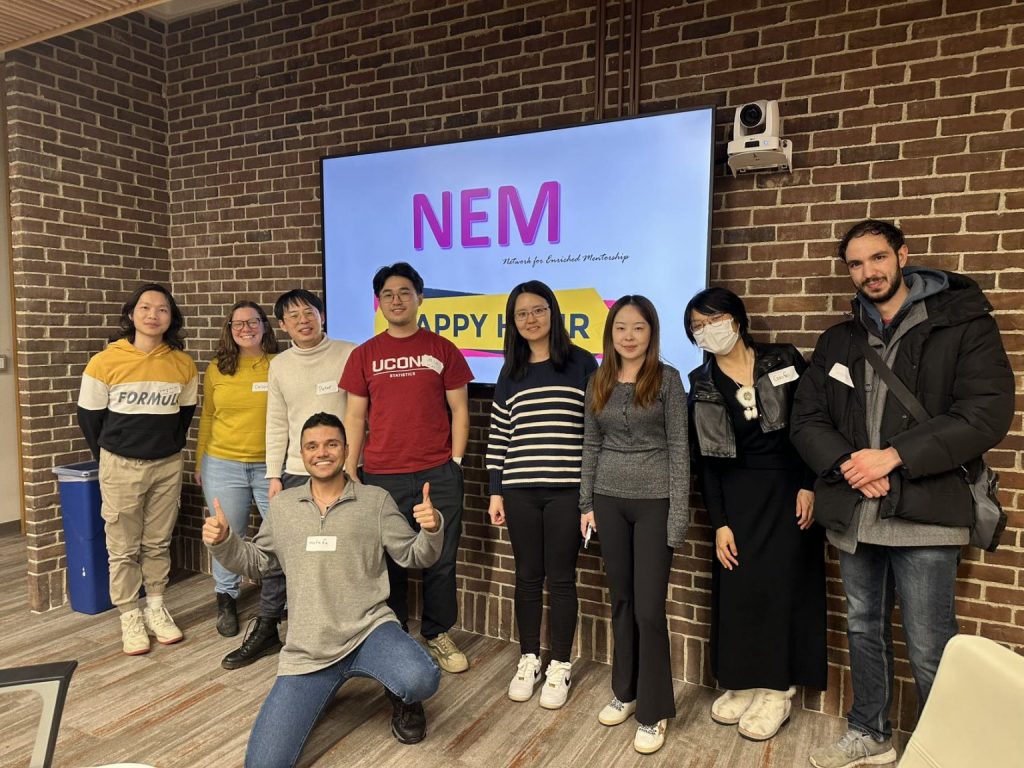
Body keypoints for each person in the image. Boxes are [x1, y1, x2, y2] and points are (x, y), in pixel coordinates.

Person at [790, 220, 1014, 768]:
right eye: (856, 264)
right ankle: (871, 732)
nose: (869, 272)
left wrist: (893, 457)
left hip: (927, 512)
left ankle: (947, 750)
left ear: (903, 256)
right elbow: (807, 419)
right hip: (856, 512)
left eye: (878, 258)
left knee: (930, 643)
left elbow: (985, 414)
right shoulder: (838, 340)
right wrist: (851, 466)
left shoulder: (962, 324)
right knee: (864, 628)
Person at [203, 412, 444, 768]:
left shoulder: (374, 501)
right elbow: (258, 562)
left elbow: (413, 555)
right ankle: (327, 685)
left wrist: (432, 528)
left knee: (420, 678)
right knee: (263, 764)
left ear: (346, 449)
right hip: (309, 650)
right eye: (312, 446)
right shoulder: (284, 507)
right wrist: (224, 542)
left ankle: (402, 694)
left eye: (332, 444)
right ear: (301, 453)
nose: (322, 452)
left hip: (369, 631)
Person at [683, 286, 827, 742]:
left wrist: (809, 484)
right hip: (736, 494)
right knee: (740, 585)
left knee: (784, 585)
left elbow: (810, 423)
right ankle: (743, 681)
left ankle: (777, 690)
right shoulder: (701, 380)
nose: (707, 331)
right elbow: (705, 458)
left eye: (713, 320)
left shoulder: (783, 359)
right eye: (697, 327)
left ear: (737, 319)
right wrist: (720, 522)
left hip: (789, 489)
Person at [341, 262, 473, 673]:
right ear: (378, 303)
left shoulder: (442, 349)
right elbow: (355, 417)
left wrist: (454, 462)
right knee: (390, 559)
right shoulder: (365, 354)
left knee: (441, 558)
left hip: (437, 472)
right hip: (382, 475)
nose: (396, 300)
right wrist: (350, 469)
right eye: (387, 295)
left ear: (420, 296)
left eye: (404, 292)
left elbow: (460, 409)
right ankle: (393, 633)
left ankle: (436, 633)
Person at [220, 289, 355, 670]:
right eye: (292, 316)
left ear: (322, 315)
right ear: (282, 325)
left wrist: (355, 466)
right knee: (279, 552)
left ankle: (340, 634)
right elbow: (276, 422)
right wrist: (274, 475)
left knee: (340, 555)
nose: (302, 320)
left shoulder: (349, 353)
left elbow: (363, 416)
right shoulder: (279, 365)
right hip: (296, 472)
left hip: (342, 473)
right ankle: (267, 628)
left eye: (308, 312)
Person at [579, 295, 689, 755]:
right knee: (621, 601)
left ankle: (654, 710)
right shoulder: (598, 380)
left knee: (648, 609)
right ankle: (624, 692)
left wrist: (678, 515)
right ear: (610, 334)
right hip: (608, 500)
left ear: (651, 332)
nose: (628, 336)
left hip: (654, 503)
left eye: (638, 328)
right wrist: (586, 501)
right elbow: (591, 444)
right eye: (620, 327)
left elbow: (680, 450)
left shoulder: (667, 380)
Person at [486, 280, 598, 708]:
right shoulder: (510, 371)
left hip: (567, 492)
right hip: (519, 490)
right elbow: (499, 435)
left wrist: (588, 497)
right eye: (521, 313)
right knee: (528, 577)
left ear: (553, 313)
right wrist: (496, 492)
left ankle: (560, 666)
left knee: (562, 578)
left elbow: (595, 433)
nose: (530, 319)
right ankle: (529, 657)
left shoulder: (581, 363)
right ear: (513, 323)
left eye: (538, 310)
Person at [77, 283, 198, 655]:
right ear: (132, 314)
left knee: (158, 542)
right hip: (120, 465)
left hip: (166, 465)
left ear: (171, 318)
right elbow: (89, 420)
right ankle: (130, 614)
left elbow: (184, 417)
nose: (153, 315)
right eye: (145, 308)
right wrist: (115, 456)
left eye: (162, 309)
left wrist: (165, 449)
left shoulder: (183, 363)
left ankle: (156, 608)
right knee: (123, 548)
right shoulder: (105, 361)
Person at [195, 300, 279, 637]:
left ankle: (278, 597)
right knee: (226, 534)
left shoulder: (279, 364)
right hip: (222, 464)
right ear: (229, 330)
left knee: (279, 535)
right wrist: (202, 459)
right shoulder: (217, 367)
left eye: (253, 321)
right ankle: (226, 597)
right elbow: (209, 415)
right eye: (238, 323)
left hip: (269, 466)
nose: (246, 328)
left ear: (264, 326)